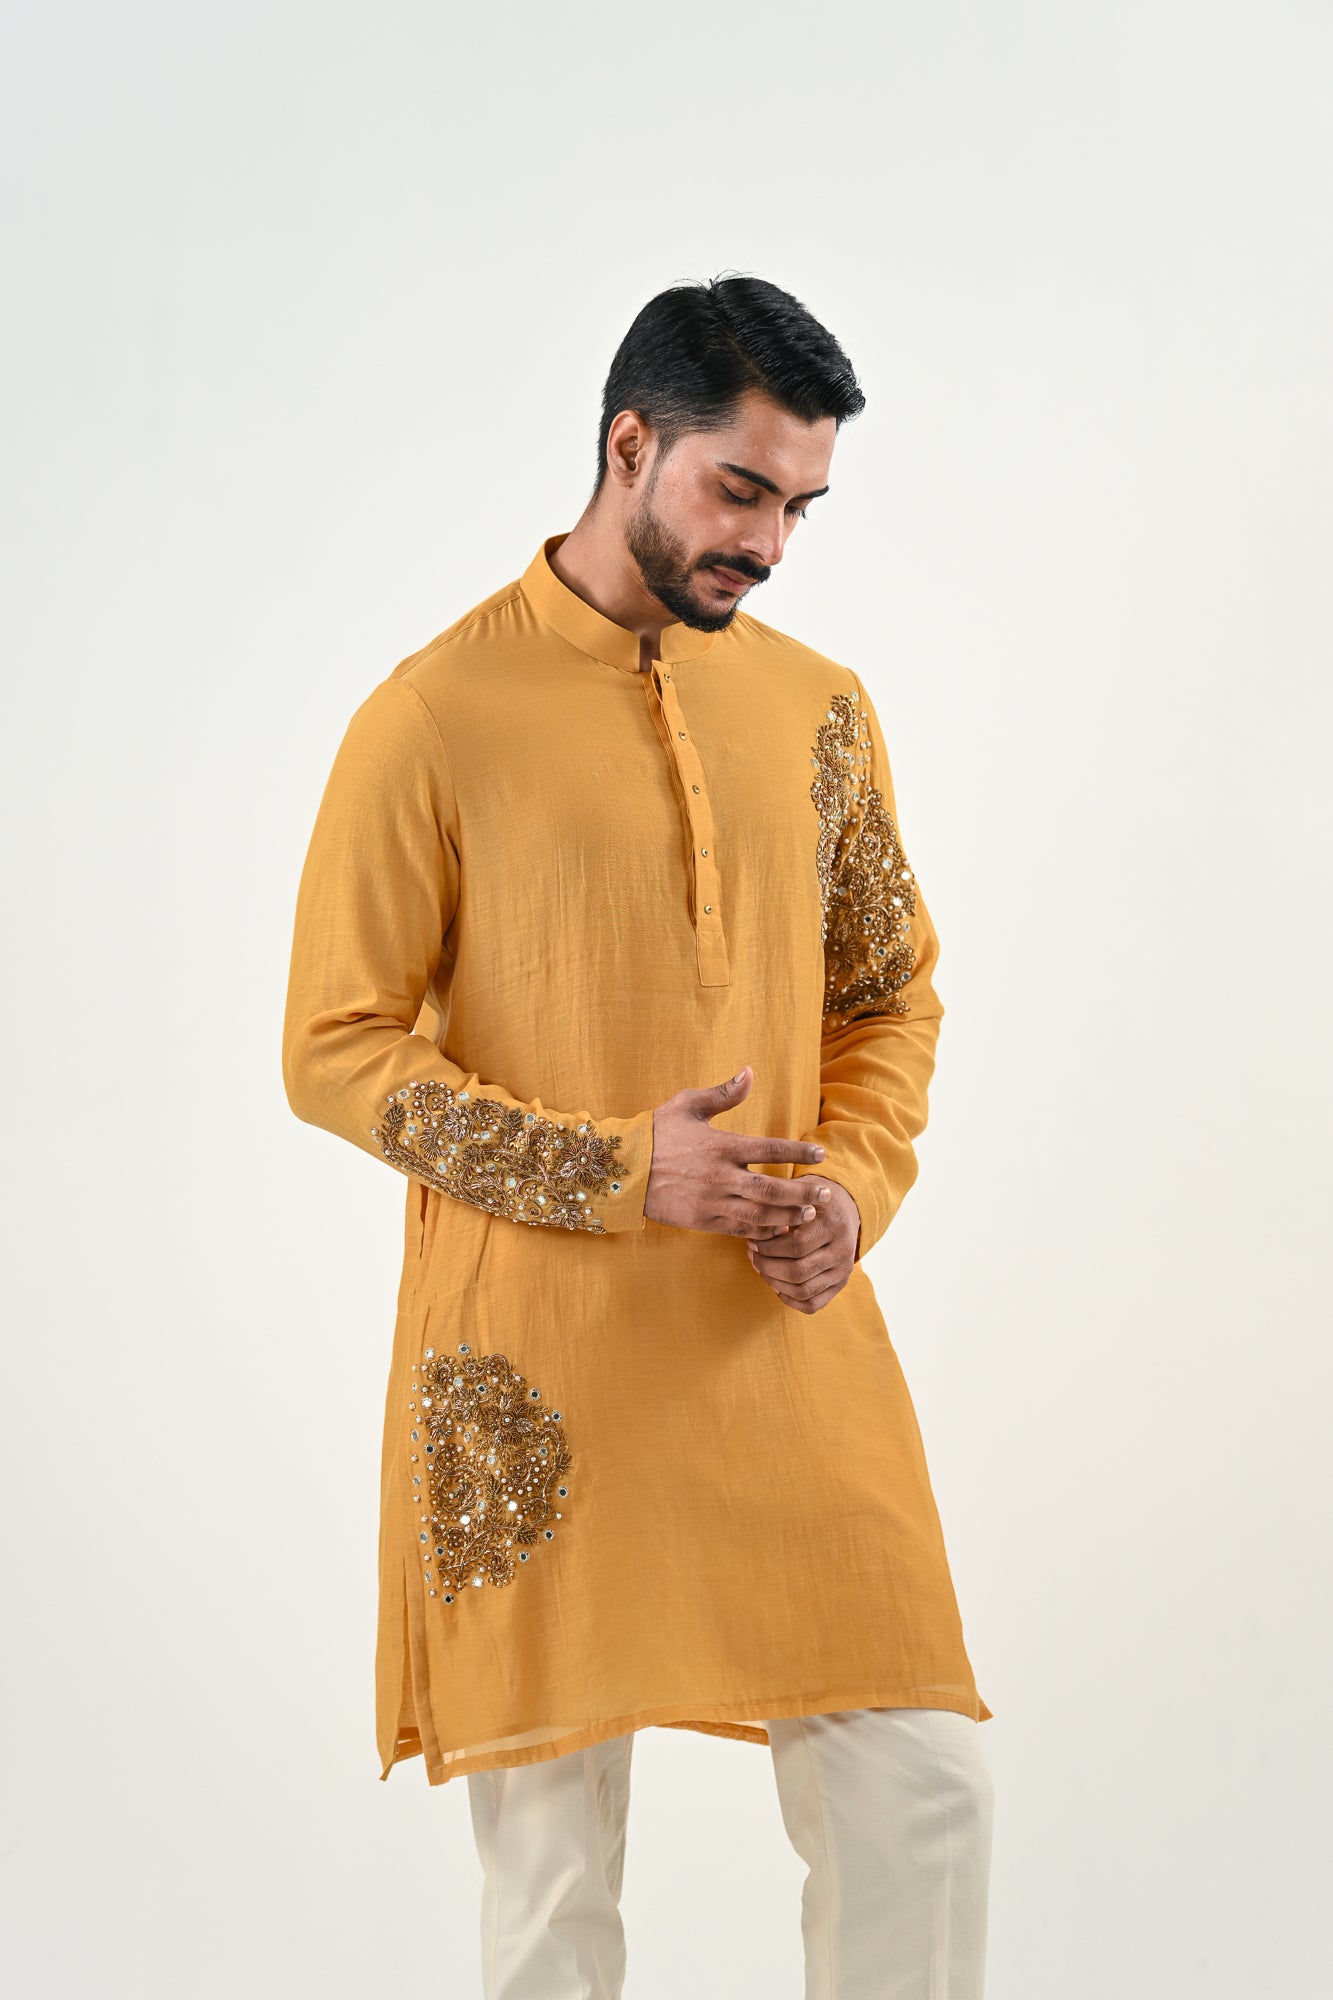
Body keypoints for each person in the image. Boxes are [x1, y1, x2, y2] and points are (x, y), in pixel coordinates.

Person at [282, 273, 995, 1998]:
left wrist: (853, 1188)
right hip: (534, 1364)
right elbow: (335, 1047)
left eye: (799, 506)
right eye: (741, 490)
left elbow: (884, 998)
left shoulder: (817, 709)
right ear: (628, 446)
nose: (769, 543)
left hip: (776, 1338)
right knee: (553, 1890)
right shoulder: (433, 717)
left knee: (920, 1791)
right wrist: (615, 1168)